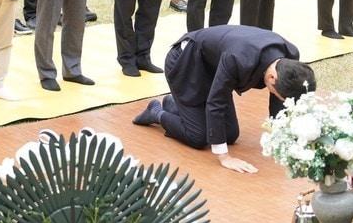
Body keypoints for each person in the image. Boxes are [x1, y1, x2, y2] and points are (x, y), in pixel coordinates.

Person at [131, 25, 315, 173]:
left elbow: (280, 101)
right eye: (276, 92)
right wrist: (225, 158)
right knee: (199, 137)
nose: (278, 97)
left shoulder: (290, 58)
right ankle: (156, 112)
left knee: (230, 135)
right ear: (272, 78)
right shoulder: (239, 58)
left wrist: (283, 139)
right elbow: (215, 102)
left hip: (216, 65)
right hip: (187, 61)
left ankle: (175, 104)